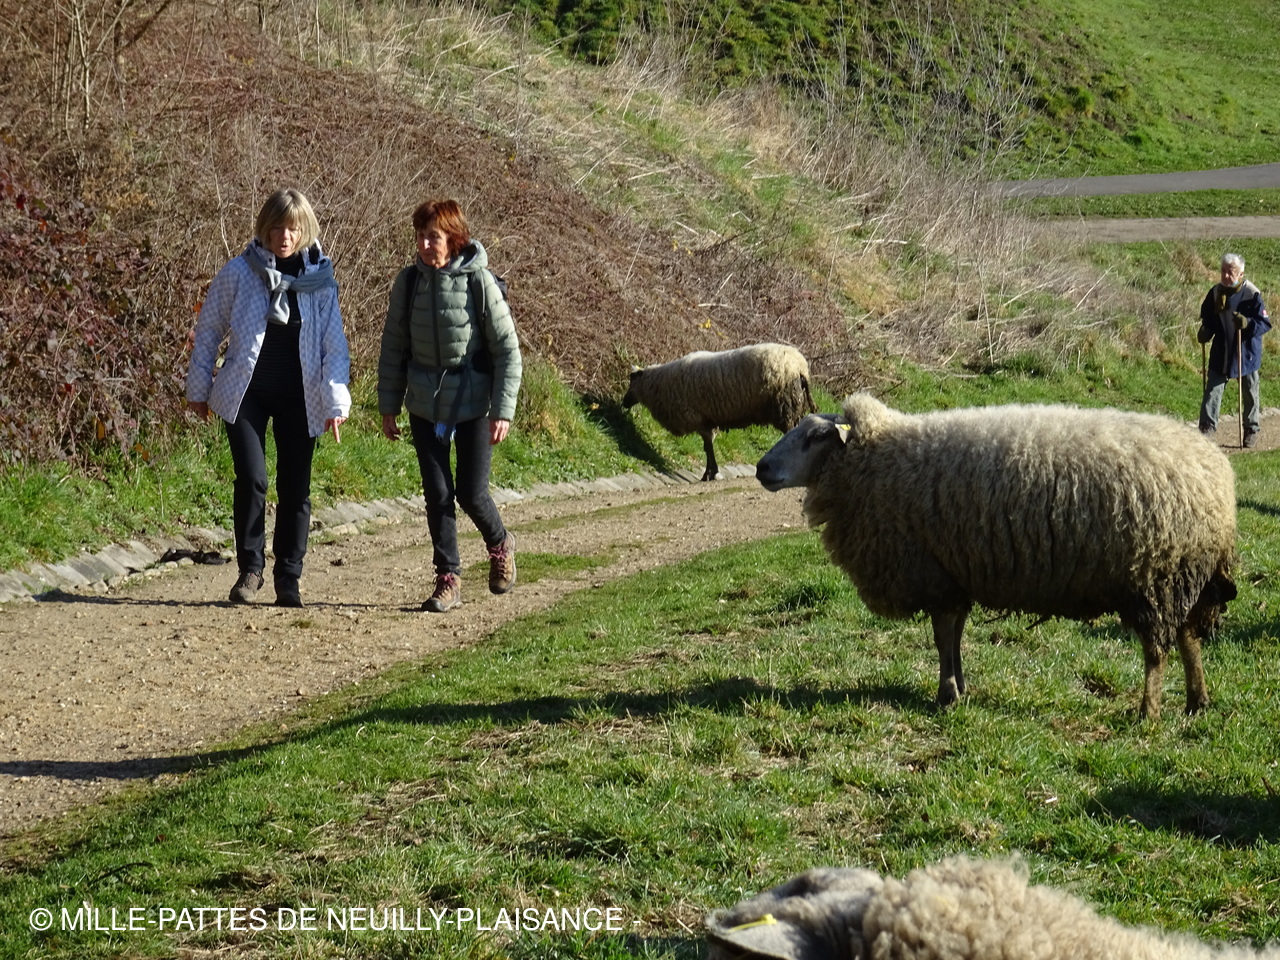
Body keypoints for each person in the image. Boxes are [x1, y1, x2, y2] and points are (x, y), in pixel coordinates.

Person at [185, 188, 351, 607]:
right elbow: (209, 330)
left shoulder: (320, 281)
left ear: (304, 229)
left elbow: (334, 347)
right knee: (253, 479)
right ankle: (250, 570)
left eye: (293, 228)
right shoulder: (240, 272)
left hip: (301, 396)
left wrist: (336, 403)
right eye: (276, 228)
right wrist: (199, 388)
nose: (284, 237)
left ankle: (288, 577)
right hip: (246, 393)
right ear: (264, 228)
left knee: (295, 487)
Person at [377, 199, 522, 612]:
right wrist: (389, 405)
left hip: (474, 402)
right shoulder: (408, 283)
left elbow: (507, 351)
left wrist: (503, 410)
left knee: (471, 493)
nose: (425, 245)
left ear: (454, 239)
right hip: (425, 402)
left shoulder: (479, 282)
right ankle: (448, 579)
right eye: (421, 236)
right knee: (437, 494)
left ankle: (501, 544)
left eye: (434, 237)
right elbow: (393, 347)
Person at [1198, 252, 1270, 446]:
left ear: (1241, 274)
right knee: (1213, 389)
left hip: (1245, 352)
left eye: (1231, 272)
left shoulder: (1252, 294)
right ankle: (1206, 428)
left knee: (1250, 391)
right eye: (1223, 271)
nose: (1225, 275)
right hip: (1222, 351)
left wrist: (1247, 323)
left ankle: (1251, 429)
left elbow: (1264, 323)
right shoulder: (1215, 293)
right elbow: (1208, 318)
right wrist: (1205, 331)